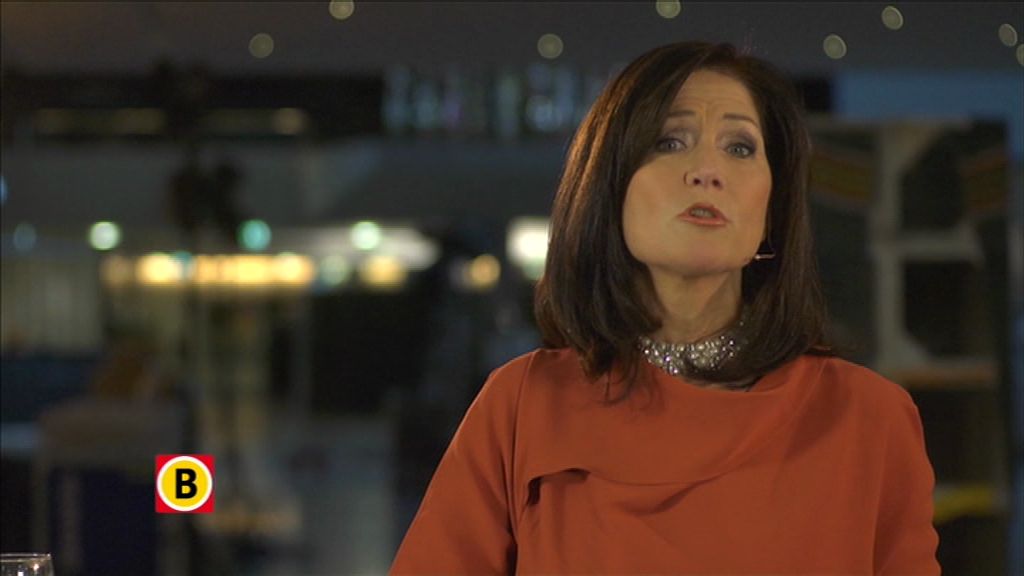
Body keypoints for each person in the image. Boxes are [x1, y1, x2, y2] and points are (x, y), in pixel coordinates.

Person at [390, 41, 940, 575]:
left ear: (772, 210)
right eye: (670, 141)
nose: (707, 170)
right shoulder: (524, 407)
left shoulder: (868, 417)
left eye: (740, 148)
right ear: (609, 189)